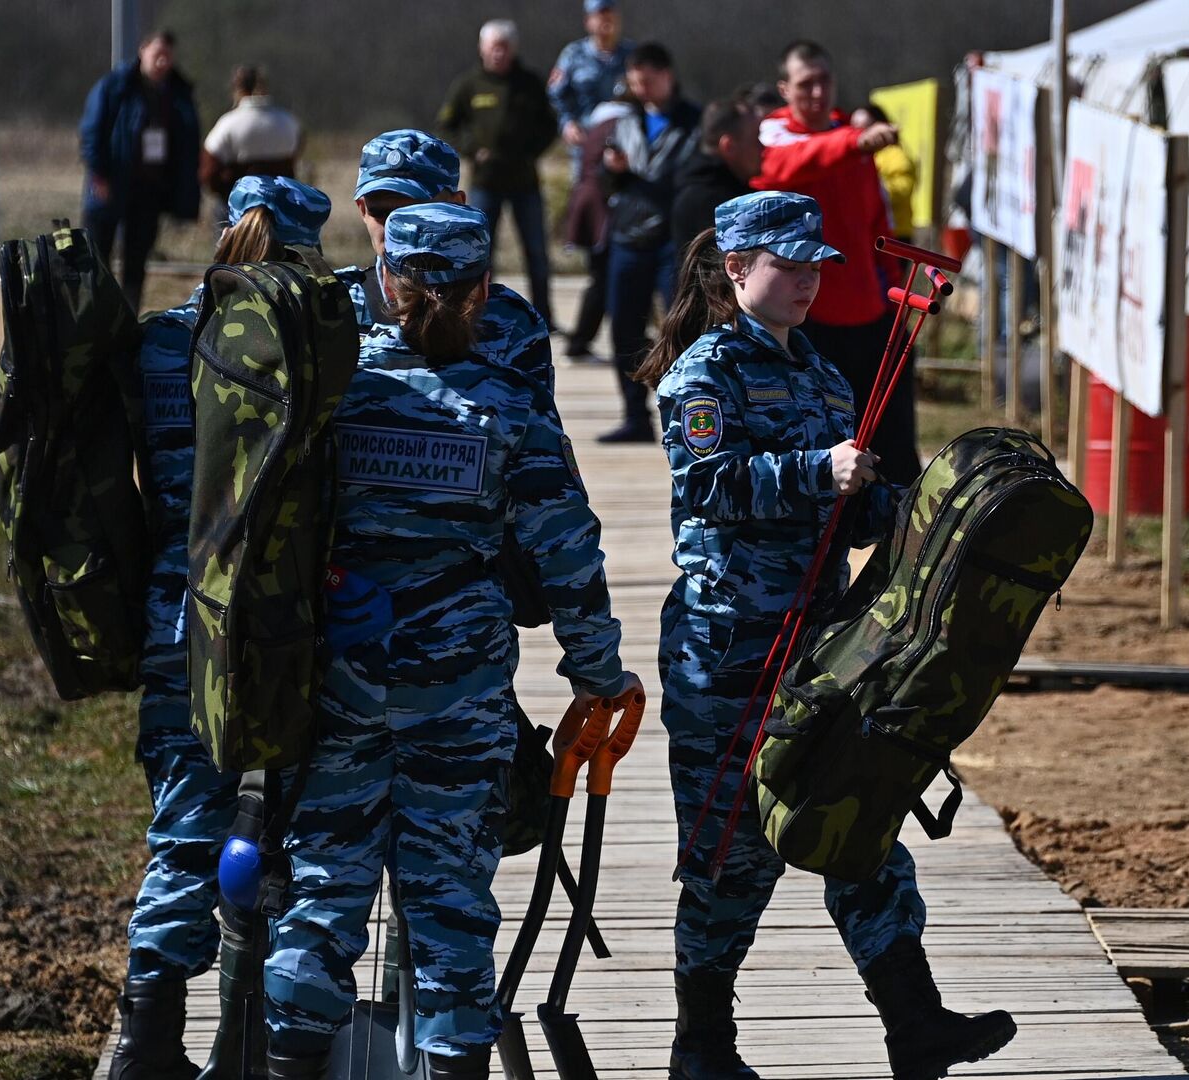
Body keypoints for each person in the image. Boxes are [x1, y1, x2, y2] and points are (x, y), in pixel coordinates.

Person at [641, 191, 1017, 1080]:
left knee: (860, 817)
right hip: (727, 647)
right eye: (789, 264)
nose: (810, 280)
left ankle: (915, 1023)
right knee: (730, 853)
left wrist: (914, 509)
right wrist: (820, 470)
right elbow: (708, 488)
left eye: (818, 265)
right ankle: (702, 1045)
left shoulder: (822, 375)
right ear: (736, 270)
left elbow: (849, 517)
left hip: (821, 643)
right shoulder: (701, 376)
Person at [259, 203, 634, 1079]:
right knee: (451, 909)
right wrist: (598, 672)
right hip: (458, 699)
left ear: (386, 283)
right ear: (483, 293)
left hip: (341, 687)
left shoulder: (330, 397)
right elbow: (567, 552)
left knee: (321, 899)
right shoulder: (510, 407)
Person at [105, 174, 332, 1080]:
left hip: (178, 616)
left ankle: (145, 1037)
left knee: (184, 829)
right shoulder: (309, 344)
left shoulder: (159, 340)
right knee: (294, 831)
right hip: (279, 624)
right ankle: (260, 1038)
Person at [757, 40, 920, 485]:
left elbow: (876, 225)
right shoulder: (775, 132)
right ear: (785, 89)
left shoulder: (852, 137)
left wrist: (893, 294)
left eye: (824, 81)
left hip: (870, 313)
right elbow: (784, 164)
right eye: (805, 84)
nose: (817, 92)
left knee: (893, 445)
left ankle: (901, 536)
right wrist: (853, 141)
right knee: (821, 444)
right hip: (806, 320)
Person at [338, 129, 551, 389]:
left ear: (457, 205)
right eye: (382, 212)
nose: (396, 227)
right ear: (362, 209)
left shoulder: (511, 322)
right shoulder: (336, 306)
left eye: (414, 211)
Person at [597, 41, 700, 443]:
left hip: (673, 240)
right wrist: (614, 171)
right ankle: (634, 416)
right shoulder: (625, 119)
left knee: (681, 326)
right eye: (635, 83)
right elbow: (609, 183)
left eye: (648, 82)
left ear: (668, 76)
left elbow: (693, 177)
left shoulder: (695, 121)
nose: (640, 91)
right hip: (629, 236)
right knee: (624, 325)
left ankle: (687, 413)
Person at [438, 18, 561, 323]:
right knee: (480, 251)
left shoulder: (530, 84)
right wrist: (470, 149)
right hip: (485, 183)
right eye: (494, 48)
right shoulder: (469, 85)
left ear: (513, 49)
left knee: (536, 253)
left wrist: (532, 151)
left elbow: (550, 124)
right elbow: (447, 125)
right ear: (482, 49)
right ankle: (480, 312)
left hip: (524, 182)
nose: (499, 54)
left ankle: (544, 315)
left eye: (504, 48)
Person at [79, 27, 201, 312]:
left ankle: (129, 319)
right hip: (111, 184)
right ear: (142, 51)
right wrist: (99, 173)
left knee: (137, 261)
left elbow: (187, 145)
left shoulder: (178, 93)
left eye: (168, 57)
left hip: (150, 190)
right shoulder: (115, 87)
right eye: (158, 55)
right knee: (97, 258)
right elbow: (91, 133)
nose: (162, 62)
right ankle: (98, 319)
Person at [550, 0, 637, 360]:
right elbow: (556, 96)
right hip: (586, 163)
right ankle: (599, 333)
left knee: (623, 249)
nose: (605, 23)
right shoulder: (573, 56)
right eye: (599, 16)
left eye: (610, 16)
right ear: (589, 20)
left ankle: (620, 329)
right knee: (600, 252)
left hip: (628, 163)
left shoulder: (631, 56)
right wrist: (567, 123)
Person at [670, 95, 762, 252]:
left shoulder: (733, 189)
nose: (763, 148)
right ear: (729, 146)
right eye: (756, 139)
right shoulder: (712, 205)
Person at [199, 64, 301, 202]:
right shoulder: (288, 121)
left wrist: (225, 191)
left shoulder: (228, 123)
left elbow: (209, 172)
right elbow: (297, 149)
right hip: (280, 202)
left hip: (240, 203)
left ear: (237, 89)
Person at [851, 103, 915, 243]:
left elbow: (903, 188)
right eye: (853, 128)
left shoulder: (894, 154)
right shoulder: (859, 158)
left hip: (895, 233)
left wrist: (874, 189)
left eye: (865, 127)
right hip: (869, 230)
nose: (859, 133)